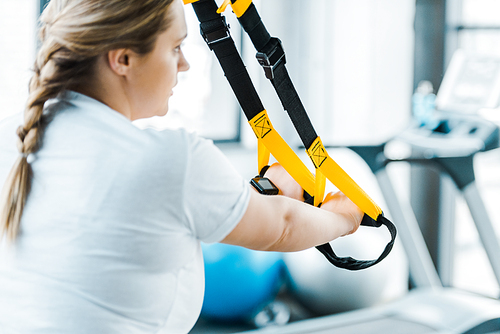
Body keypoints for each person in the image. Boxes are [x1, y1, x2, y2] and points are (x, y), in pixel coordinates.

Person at [0, 0, 363, 333]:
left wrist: (252, 198)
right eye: (175, 48)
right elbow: (282, 227)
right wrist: (344, 217)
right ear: (122, 59)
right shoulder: (170, 157)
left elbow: (123, 224)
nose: (184, 64)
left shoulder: (14, 135)